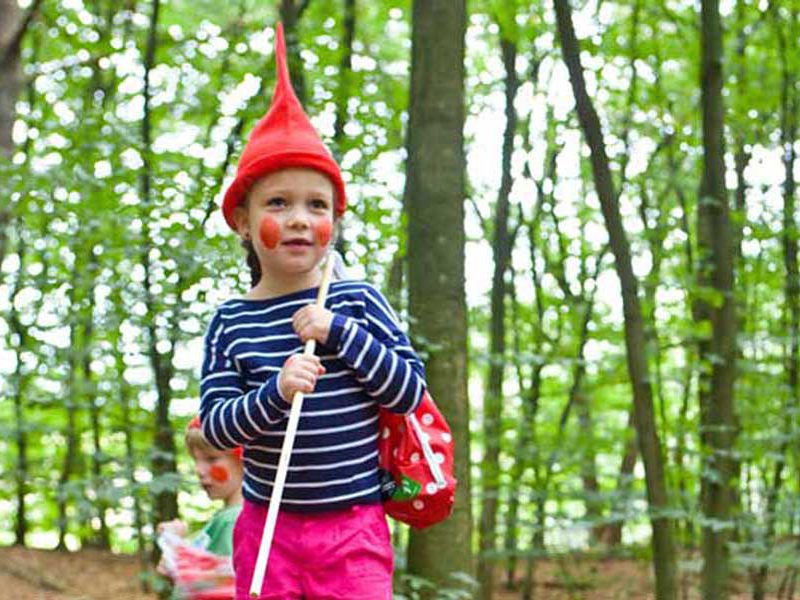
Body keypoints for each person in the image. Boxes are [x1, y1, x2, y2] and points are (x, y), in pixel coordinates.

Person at [198, 22, 428, 600]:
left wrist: (342, 334)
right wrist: (275, 391)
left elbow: (408, 392)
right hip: (266, 528)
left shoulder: (357, 301)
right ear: (244, 223)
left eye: (316, 204)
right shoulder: (231, 321)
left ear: (334, 223)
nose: (300, 218)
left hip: (353, 528)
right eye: (279, 202)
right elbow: (218, 426)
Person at [157, 416, 243, 597]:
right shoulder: (228, 518)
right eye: (195, 460)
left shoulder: (233, 520)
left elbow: (224, 588)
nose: (198, 470)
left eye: (211, 459)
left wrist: (174, 548)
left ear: (246, 459)